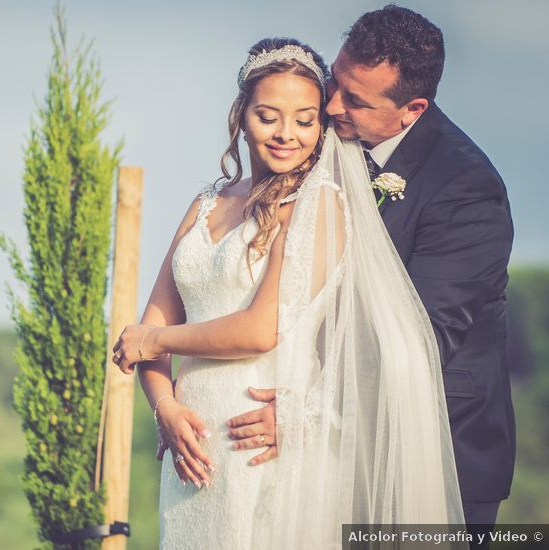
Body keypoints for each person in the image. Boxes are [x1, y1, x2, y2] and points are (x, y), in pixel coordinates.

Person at [111, 34, 468, 550]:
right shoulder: (205, 203)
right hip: (189, 446)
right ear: (241, 114)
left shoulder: (316, 207)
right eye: (267, 116)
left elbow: (260, 330)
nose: (286, 134)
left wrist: (158, 341)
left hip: (260, 439)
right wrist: (164, 405)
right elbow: (156, 316)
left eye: (305, 120)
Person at [221, 6, 514, 544]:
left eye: (356, 100)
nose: (332, 105)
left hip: (437, 446)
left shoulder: (467, 190)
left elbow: (422, 337)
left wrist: (309, 407)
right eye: (336, 81)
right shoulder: (328, 139)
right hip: (322, 450)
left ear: (412, 109)